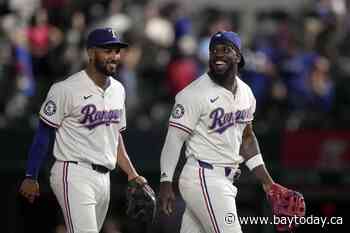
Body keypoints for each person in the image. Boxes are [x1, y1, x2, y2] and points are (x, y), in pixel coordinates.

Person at [19, 27, 152, 233]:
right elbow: (44, 133)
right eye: (107, 50)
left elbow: (114, 136)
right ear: (90, 53)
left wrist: (132, 174)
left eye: (117, 51)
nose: (114, 56)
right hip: (73, 172)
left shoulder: (119, 89)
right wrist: (31, 175)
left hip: (104, 176)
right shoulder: (66, 89)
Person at [159, 31, 276, 233]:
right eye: (214, 50)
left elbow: (246, 139)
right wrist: (165, 181)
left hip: (225, 178)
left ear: (238, 56)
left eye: (226, 50)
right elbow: (174, 139)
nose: (218, 55)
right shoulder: (193, 93)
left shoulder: (246, 93)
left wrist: (267, 181)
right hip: (204, 177)